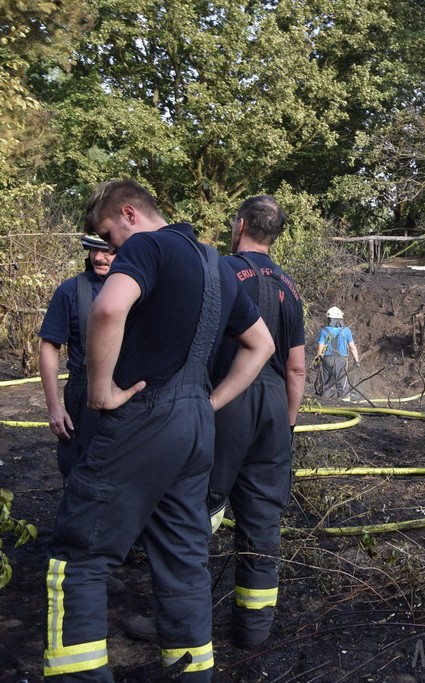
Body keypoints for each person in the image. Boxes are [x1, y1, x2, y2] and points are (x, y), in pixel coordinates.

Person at [43, 179, 274, 681]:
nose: (111, 250)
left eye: (109, 235)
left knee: (79, 556)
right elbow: (262, 346)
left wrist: (101, 392)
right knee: (184, 563)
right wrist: (209, 401)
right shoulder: (215, 263)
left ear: (129, 214)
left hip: (142, 416)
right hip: (195, 428)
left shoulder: (148, 245)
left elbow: (107, 307)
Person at [206, 195, 305, 648]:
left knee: (195, 510)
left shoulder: (220, 271)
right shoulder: (291, 286)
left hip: (226, 397)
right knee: (263, 523)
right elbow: (297, 367)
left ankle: (180, 616)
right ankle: (252, 630)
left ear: (240, 224)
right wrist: (284, 425)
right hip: (273, 406)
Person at [38, 235, 115, 477]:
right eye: (93, 250)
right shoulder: (71, 290)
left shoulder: (145, 288)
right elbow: (49, 345)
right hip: (83, 395)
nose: (99, 257)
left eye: (107, 251)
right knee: (77, 470)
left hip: (130, 393)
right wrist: (54, 407)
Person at [315, 307, 359, 399]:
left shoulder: (324, 330)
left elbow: (320, 348)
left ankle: (325, 402)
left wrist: (319, 359)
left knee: (325, 382)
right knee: (342, 382)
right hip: (341, 360)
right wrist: (356, 361)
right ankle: (345, 402)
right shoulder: (346, 330)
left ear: (329, 319)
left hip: (327, 359)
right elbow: (352, 347)